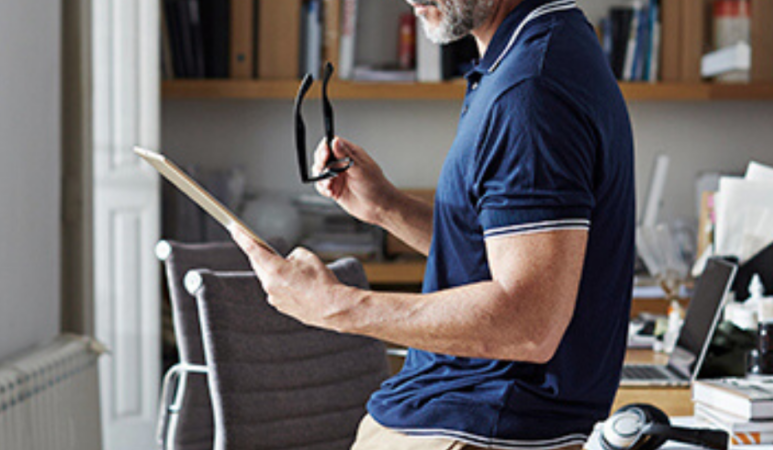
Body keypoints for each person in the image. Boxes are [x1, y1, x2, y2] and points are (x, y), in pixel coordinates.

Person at [230, 0, 635, 448]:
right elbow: (496, 256)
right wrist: (386, 207)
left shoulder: (531, 91)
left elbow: (528, 321)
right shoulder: (535, 52)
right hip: (462, 419)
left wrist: (332, 305)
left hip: (476, 429)